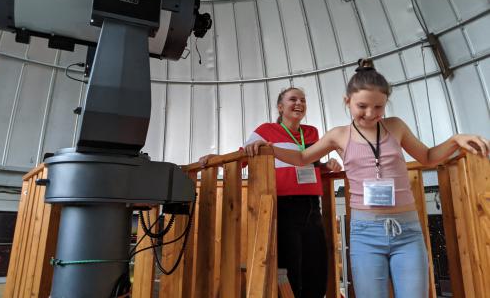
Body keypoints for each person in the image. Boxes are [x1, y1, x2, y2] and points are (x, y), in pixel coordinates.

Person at [245, 59, 490, 298]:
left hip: (407, 231)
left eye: (378, 107)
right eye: (362, 106)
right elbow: (301, 158)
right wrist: (271, 148)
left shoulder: (396, 126)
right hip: (366, 233)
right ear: (347, 102)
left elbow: (427, 157)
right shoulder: (338, 135)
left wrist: (455, 140)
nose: (371, 114)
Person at [199, 87, 341, 298]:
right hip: (284, 206)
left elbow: (308, 163)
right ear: (280, 106)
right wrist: (215, 158)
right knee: (289, 265)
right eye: (293, 99)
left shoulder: (311, 132)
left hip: (312, 205)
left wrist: (326, 166)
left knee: (316, 266)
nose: (299, 103)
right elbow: (243, 157)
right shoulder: (265, 130)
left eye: (303, 99)